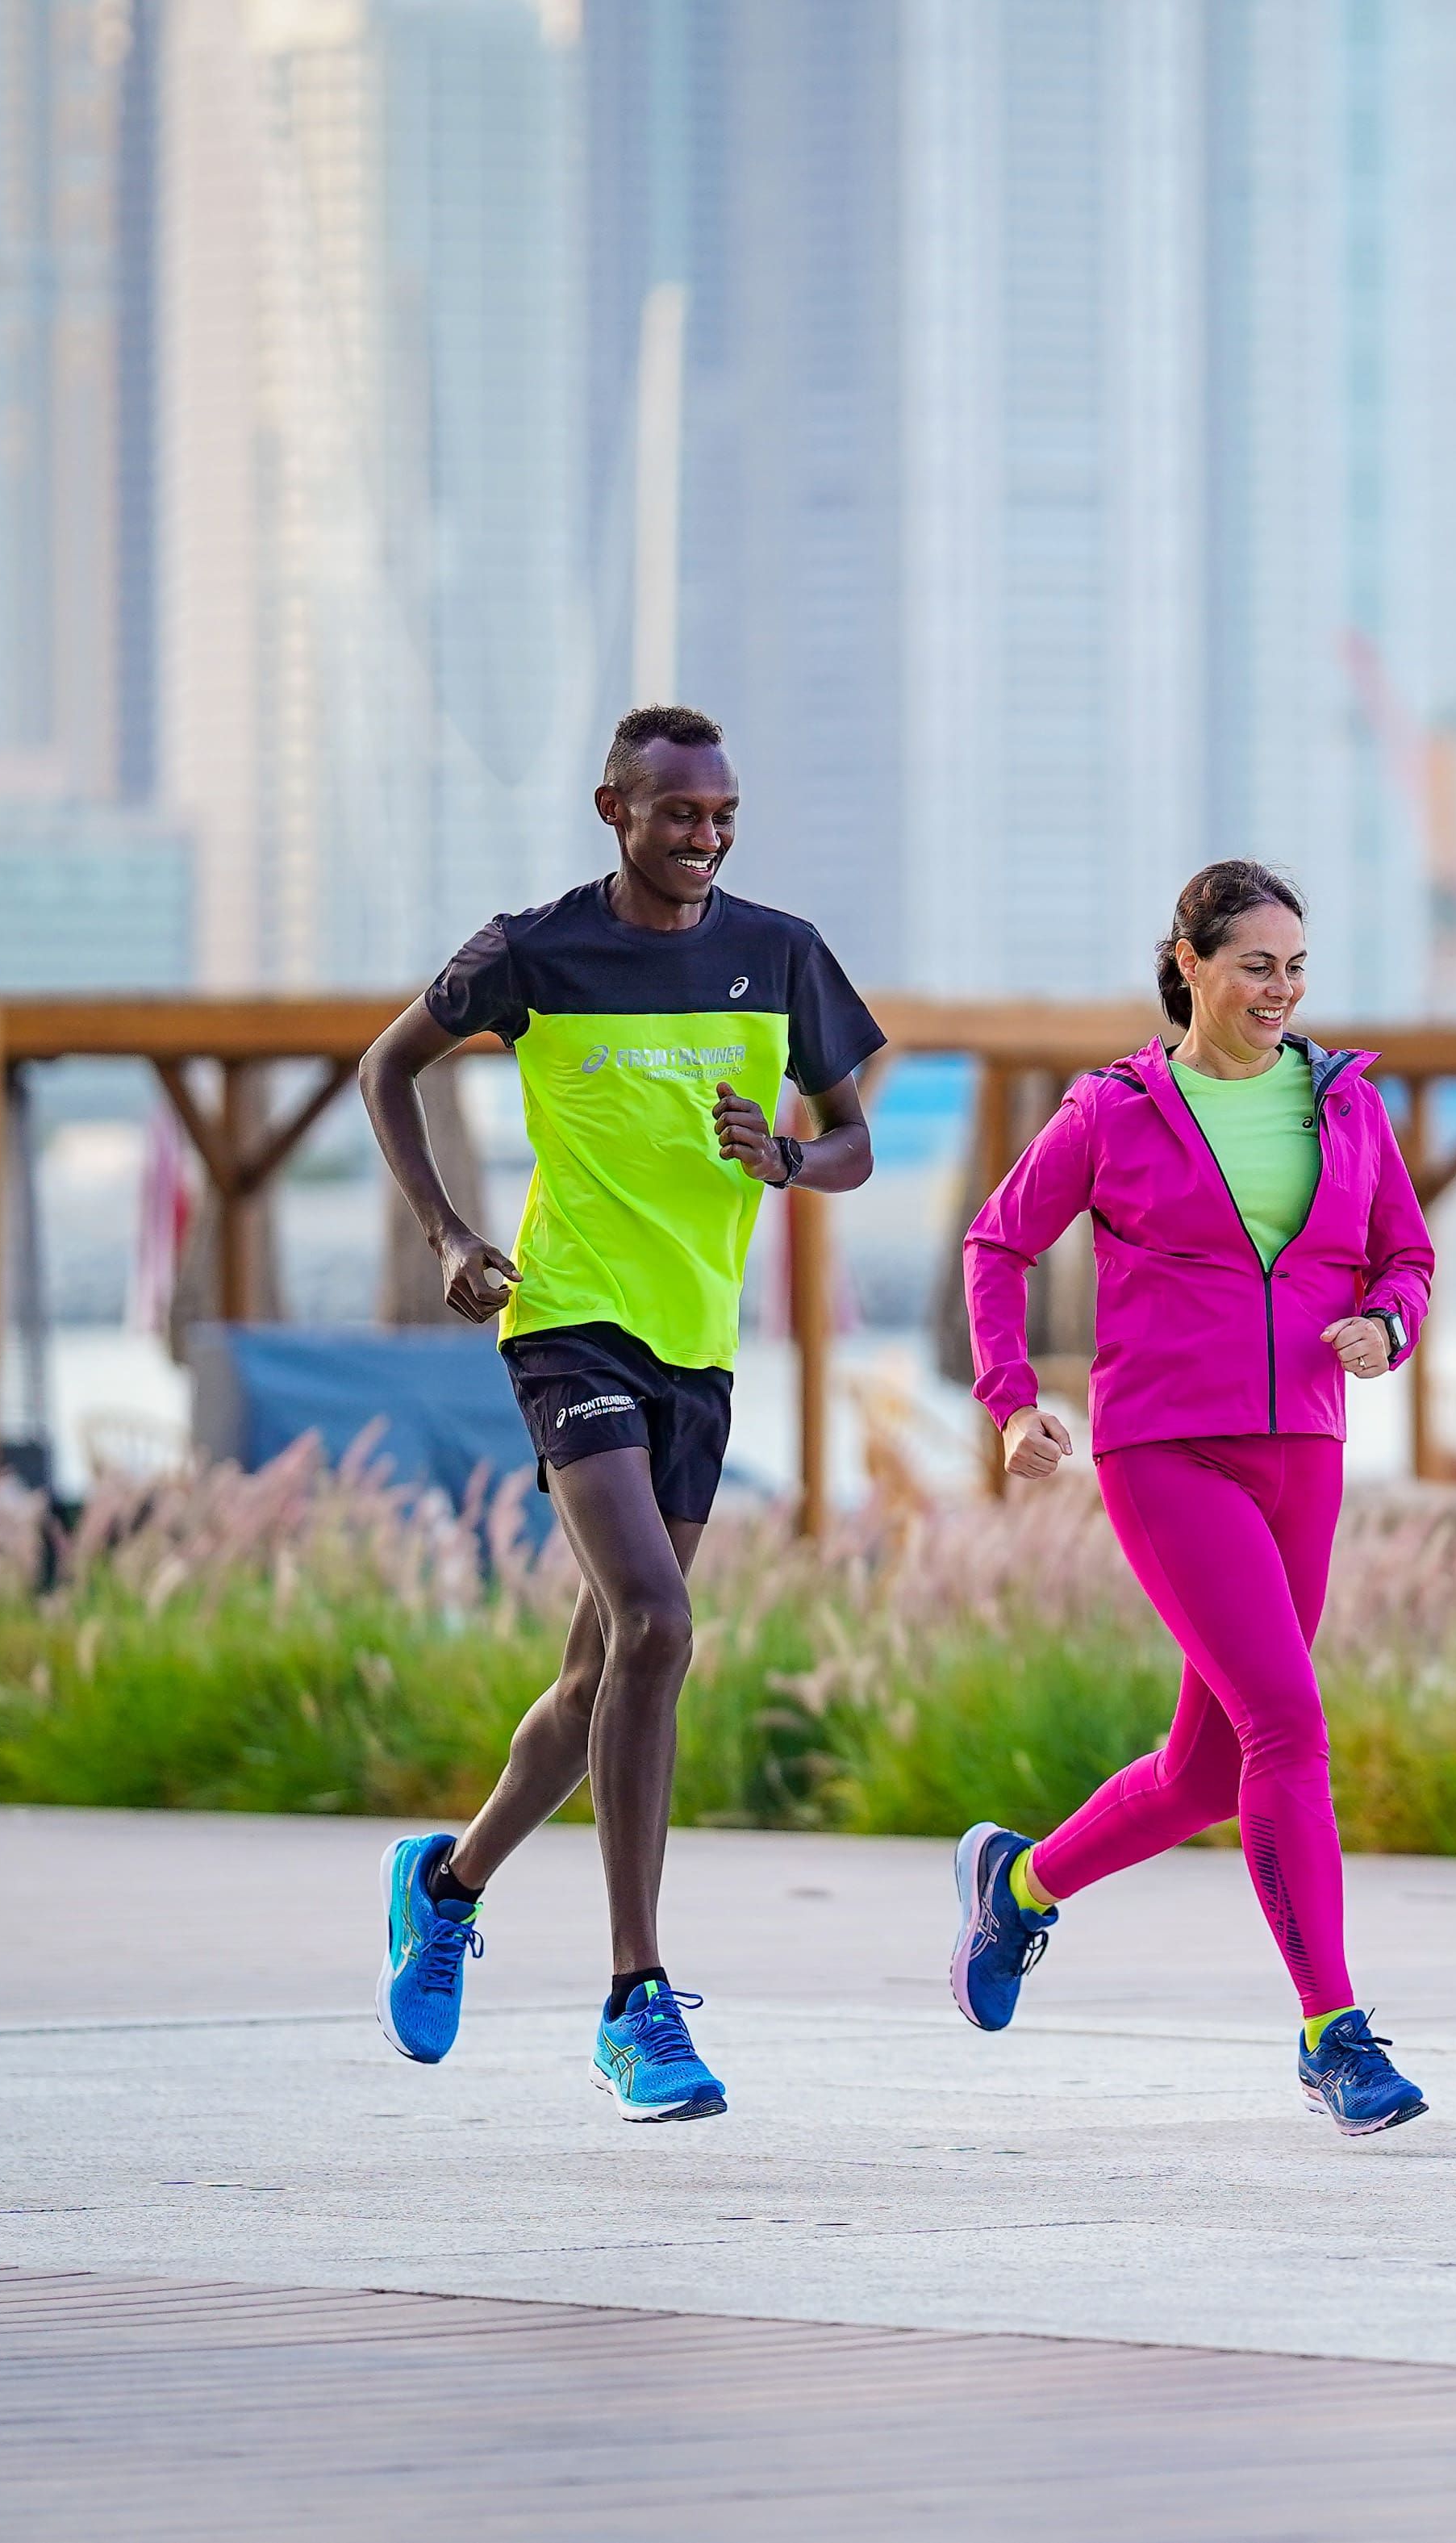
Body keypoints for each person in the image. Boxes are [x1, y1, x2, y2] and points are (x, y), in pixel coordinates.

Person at [361, 704, 882, 2124]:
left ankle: (448, 1883)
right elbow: (385, 1065)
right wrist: (446, 1232)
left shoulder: (777, 951)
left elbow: (855, 1143)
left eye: (721, 814)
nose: (704, 837)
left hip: (696, 1348)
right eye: (676, 814)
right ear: (614, 809)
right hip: (568, 1318)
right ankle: (635, 1998)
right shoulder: (533, 948)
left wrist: (784, 1153)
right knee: (657, 1625)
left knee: (600, 1677)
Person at [944, 861, 1438, 2137]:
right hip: (1167, 1446)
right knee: (1286, 1721)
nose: (1279, 990)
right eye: (1254, 965)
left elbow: (1405, 1253)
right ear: (1189, 963)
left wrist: (1391, 1321)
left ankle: (1023, 1884)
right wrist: (1010, 1401)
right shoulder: (1115, 1111)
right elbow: (998, 1241)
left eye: (1294, 967)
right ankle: (1336, 2034)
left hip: (1306, 1446)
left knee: (1206, 1768)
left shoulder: (1344, 1105)